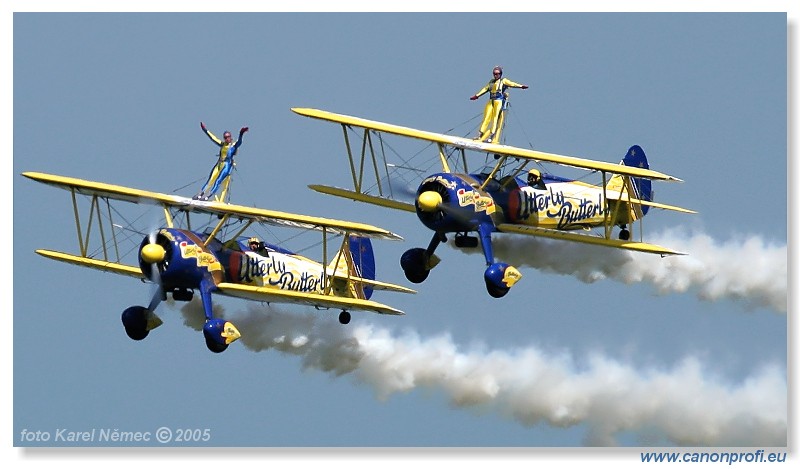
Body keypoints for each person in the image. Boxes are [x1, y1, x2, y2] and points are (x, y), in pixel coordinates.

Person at [470, 66, 528, 143]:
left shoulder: (503, 81)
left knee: (495, 117)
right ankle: (480, 134)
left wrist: (521, 86)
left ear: (500, 74)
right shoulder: (491, 82)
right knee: (486, 117)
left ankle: (491, 136)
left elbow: (512, 84)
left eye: (497, 74)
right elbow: (485, 89)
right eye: (494, 74)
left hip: (498, 100)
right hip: (491, 100)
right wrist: (477, 95)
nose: (495, 75)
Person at [194, 122, 249, 201]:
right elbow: (213, 138)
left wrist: (241, 133)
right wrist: (205, 130)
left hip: (227, 165)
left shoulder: (233, 146)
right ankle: (201, 193)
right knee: (211, 179)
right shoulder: (222, 144)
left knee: (218, 181)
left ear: (230, 137)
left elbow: (239, 142)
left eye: (228, 137)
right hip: (219, 164)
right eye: (225, 137)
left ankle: (208, 196)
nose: (226, 139)